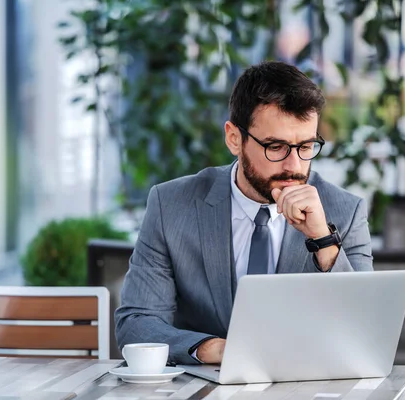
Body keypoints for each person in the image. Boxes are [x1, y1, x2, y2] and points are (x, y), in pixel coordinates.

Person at [115, 61, 373, 366]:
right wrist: (213, 349)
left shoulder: (345, 211)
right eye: (275, 147)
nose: (294, 166)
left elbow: (364, 334)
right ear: (234, 138)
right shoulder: (171, 205)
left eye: (305, 146)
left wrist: (323, 241)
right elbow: (137, 323)